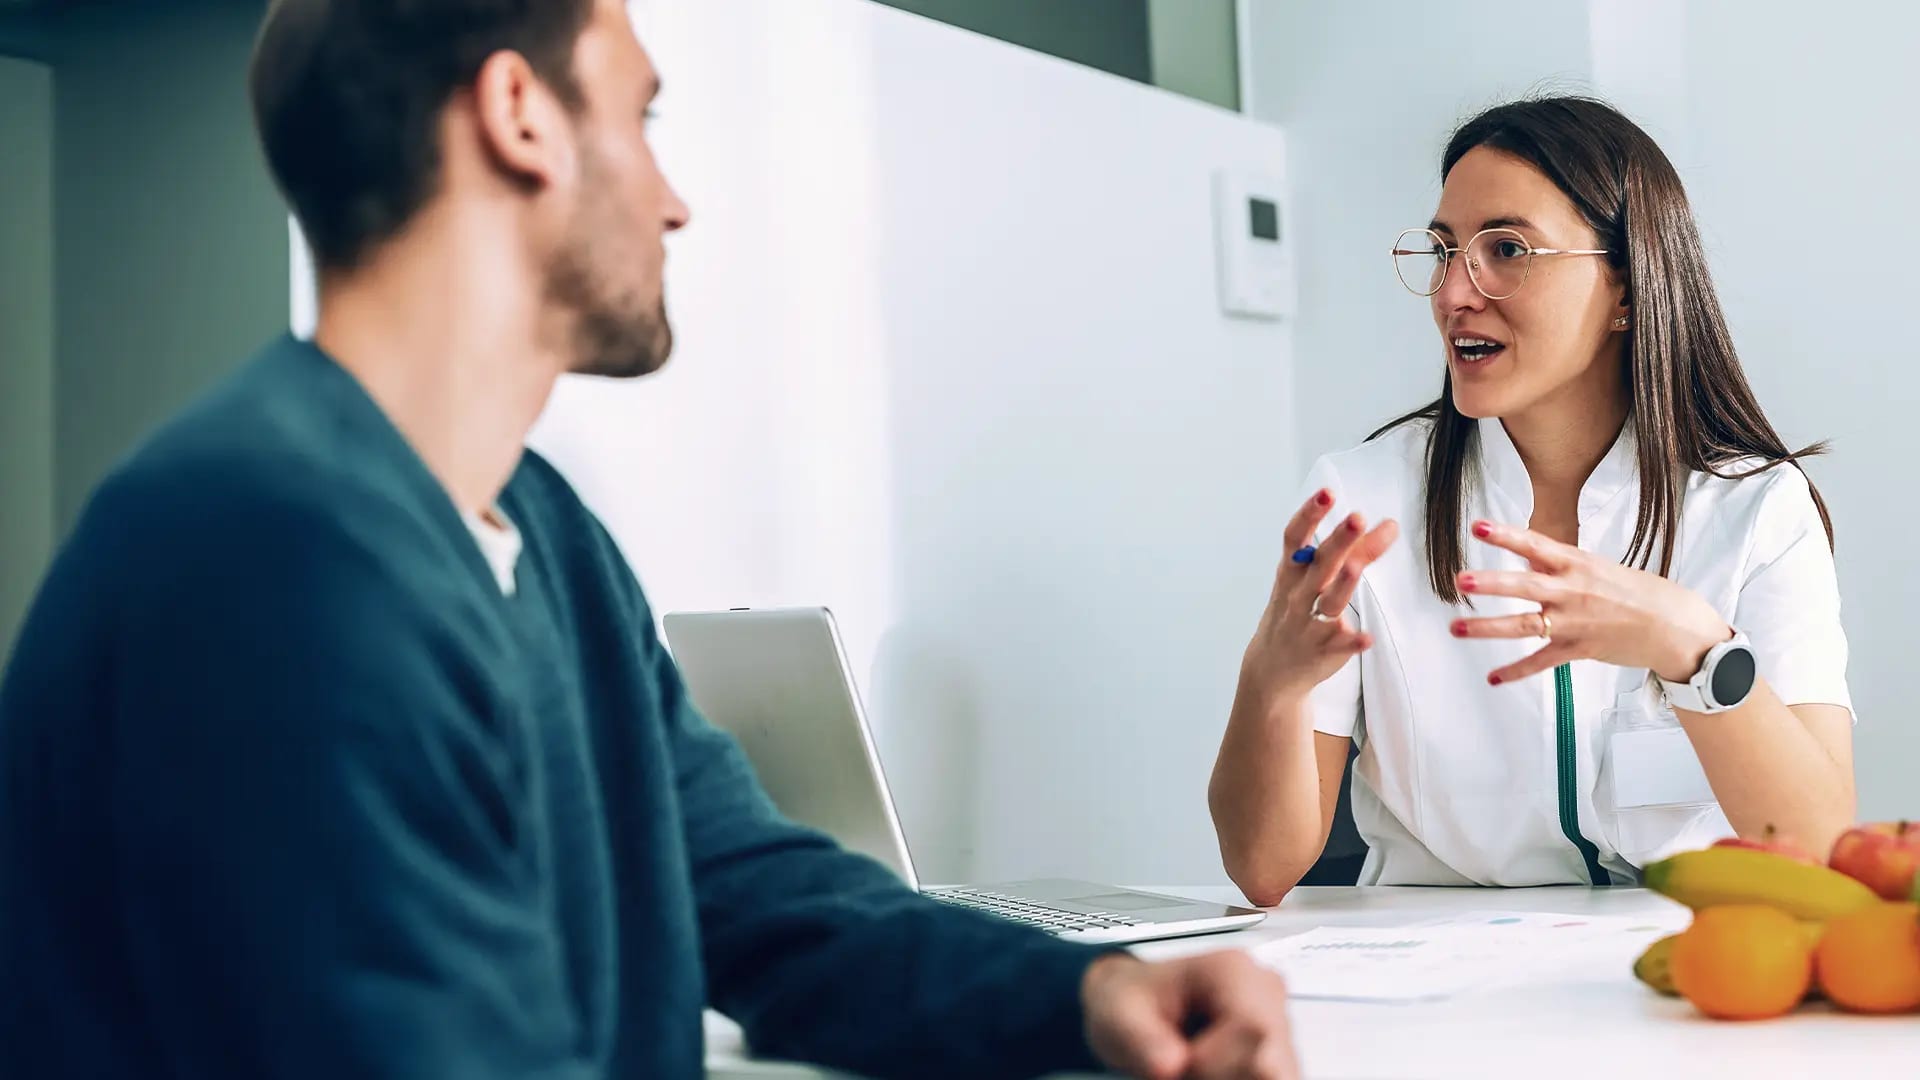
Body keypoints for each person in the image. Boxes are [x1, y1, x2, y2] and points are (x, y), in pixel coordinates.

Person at [0, 2, 1298, 1077]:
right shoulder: (269, 557)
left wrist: (1088, 998)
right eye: (643, 116)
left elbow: (766, 902)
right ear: (520, 116)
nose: (675, 202)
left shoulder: (542, 532)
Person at [1210, 96, 1855, 904]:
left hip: (1691, 971)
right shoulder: (1361, 503)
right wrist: (1268, 685)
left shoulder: (1757, 509)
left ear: (1626, 286)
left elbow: (1821, 850)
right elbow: (1262, 871)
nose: (1453, 294)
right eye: (1444, 253)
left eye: (1505, 249)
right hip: (1427, 978)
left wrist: (1690, 647)